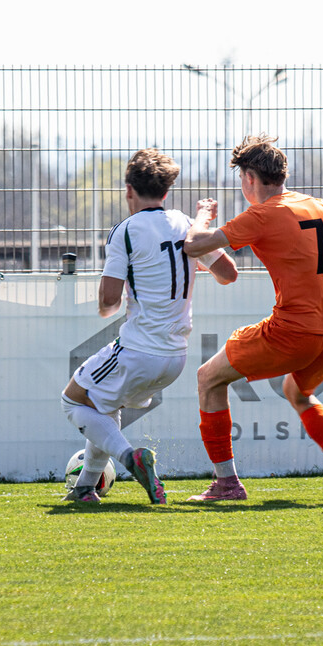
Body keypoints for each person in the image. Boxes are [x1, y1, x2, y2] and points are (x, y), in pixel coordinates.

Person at [182, 134, 323, 501]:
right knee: (298, 392)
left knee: (208, 378)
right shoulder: (317, 206)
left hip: (295, 332)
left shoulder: (260, 215)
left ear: (249, 179)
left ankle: (227, 485)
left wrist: (201, 216)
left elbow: (194, 246)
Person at [61, 148, 238, 504]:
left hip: (139, 350)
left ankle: (131, 459)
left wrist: (107, 303)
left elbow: (109, 300)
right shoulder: (187, 225)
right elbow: (228, 274)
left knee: (73, 399)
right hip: (176, 358)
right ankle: (85, 489)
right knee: (104, 407)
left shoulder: (125, 232)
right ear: (166, 192)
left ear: (129, 190)